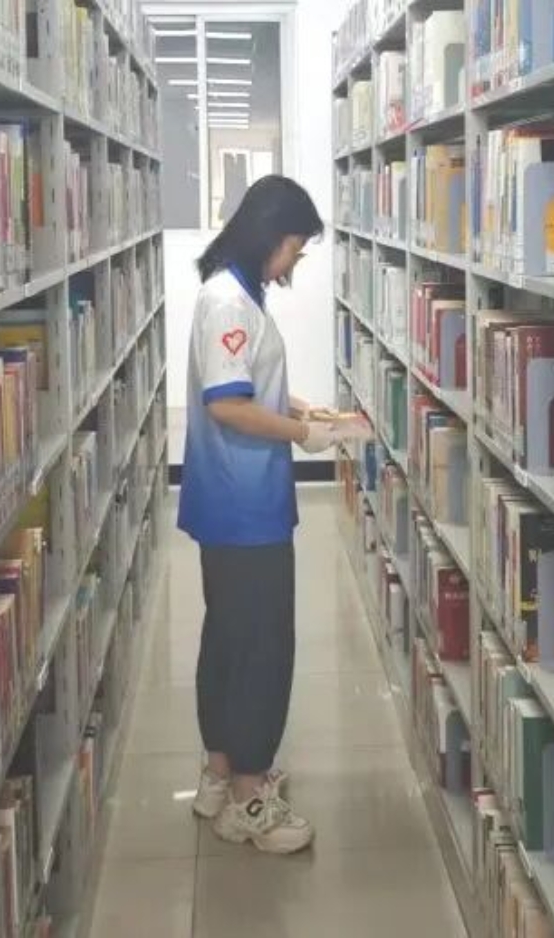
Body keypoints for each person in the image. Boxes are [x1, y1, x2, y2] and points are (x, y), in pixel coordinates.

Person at [177, 175, 372, 854]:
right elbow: (227, 405)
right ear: (270, 236)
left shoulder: (234, 293)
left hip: (230, 503)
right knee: (263, 648)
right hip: (245, 505)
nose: (294, 261)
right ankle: (249, 800)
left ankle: (219, 775)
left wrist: (300, 405)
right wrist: (305, 435)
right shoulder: (230, 303)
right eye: (295, 247)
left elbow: (244, 384)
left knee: (228, 638)